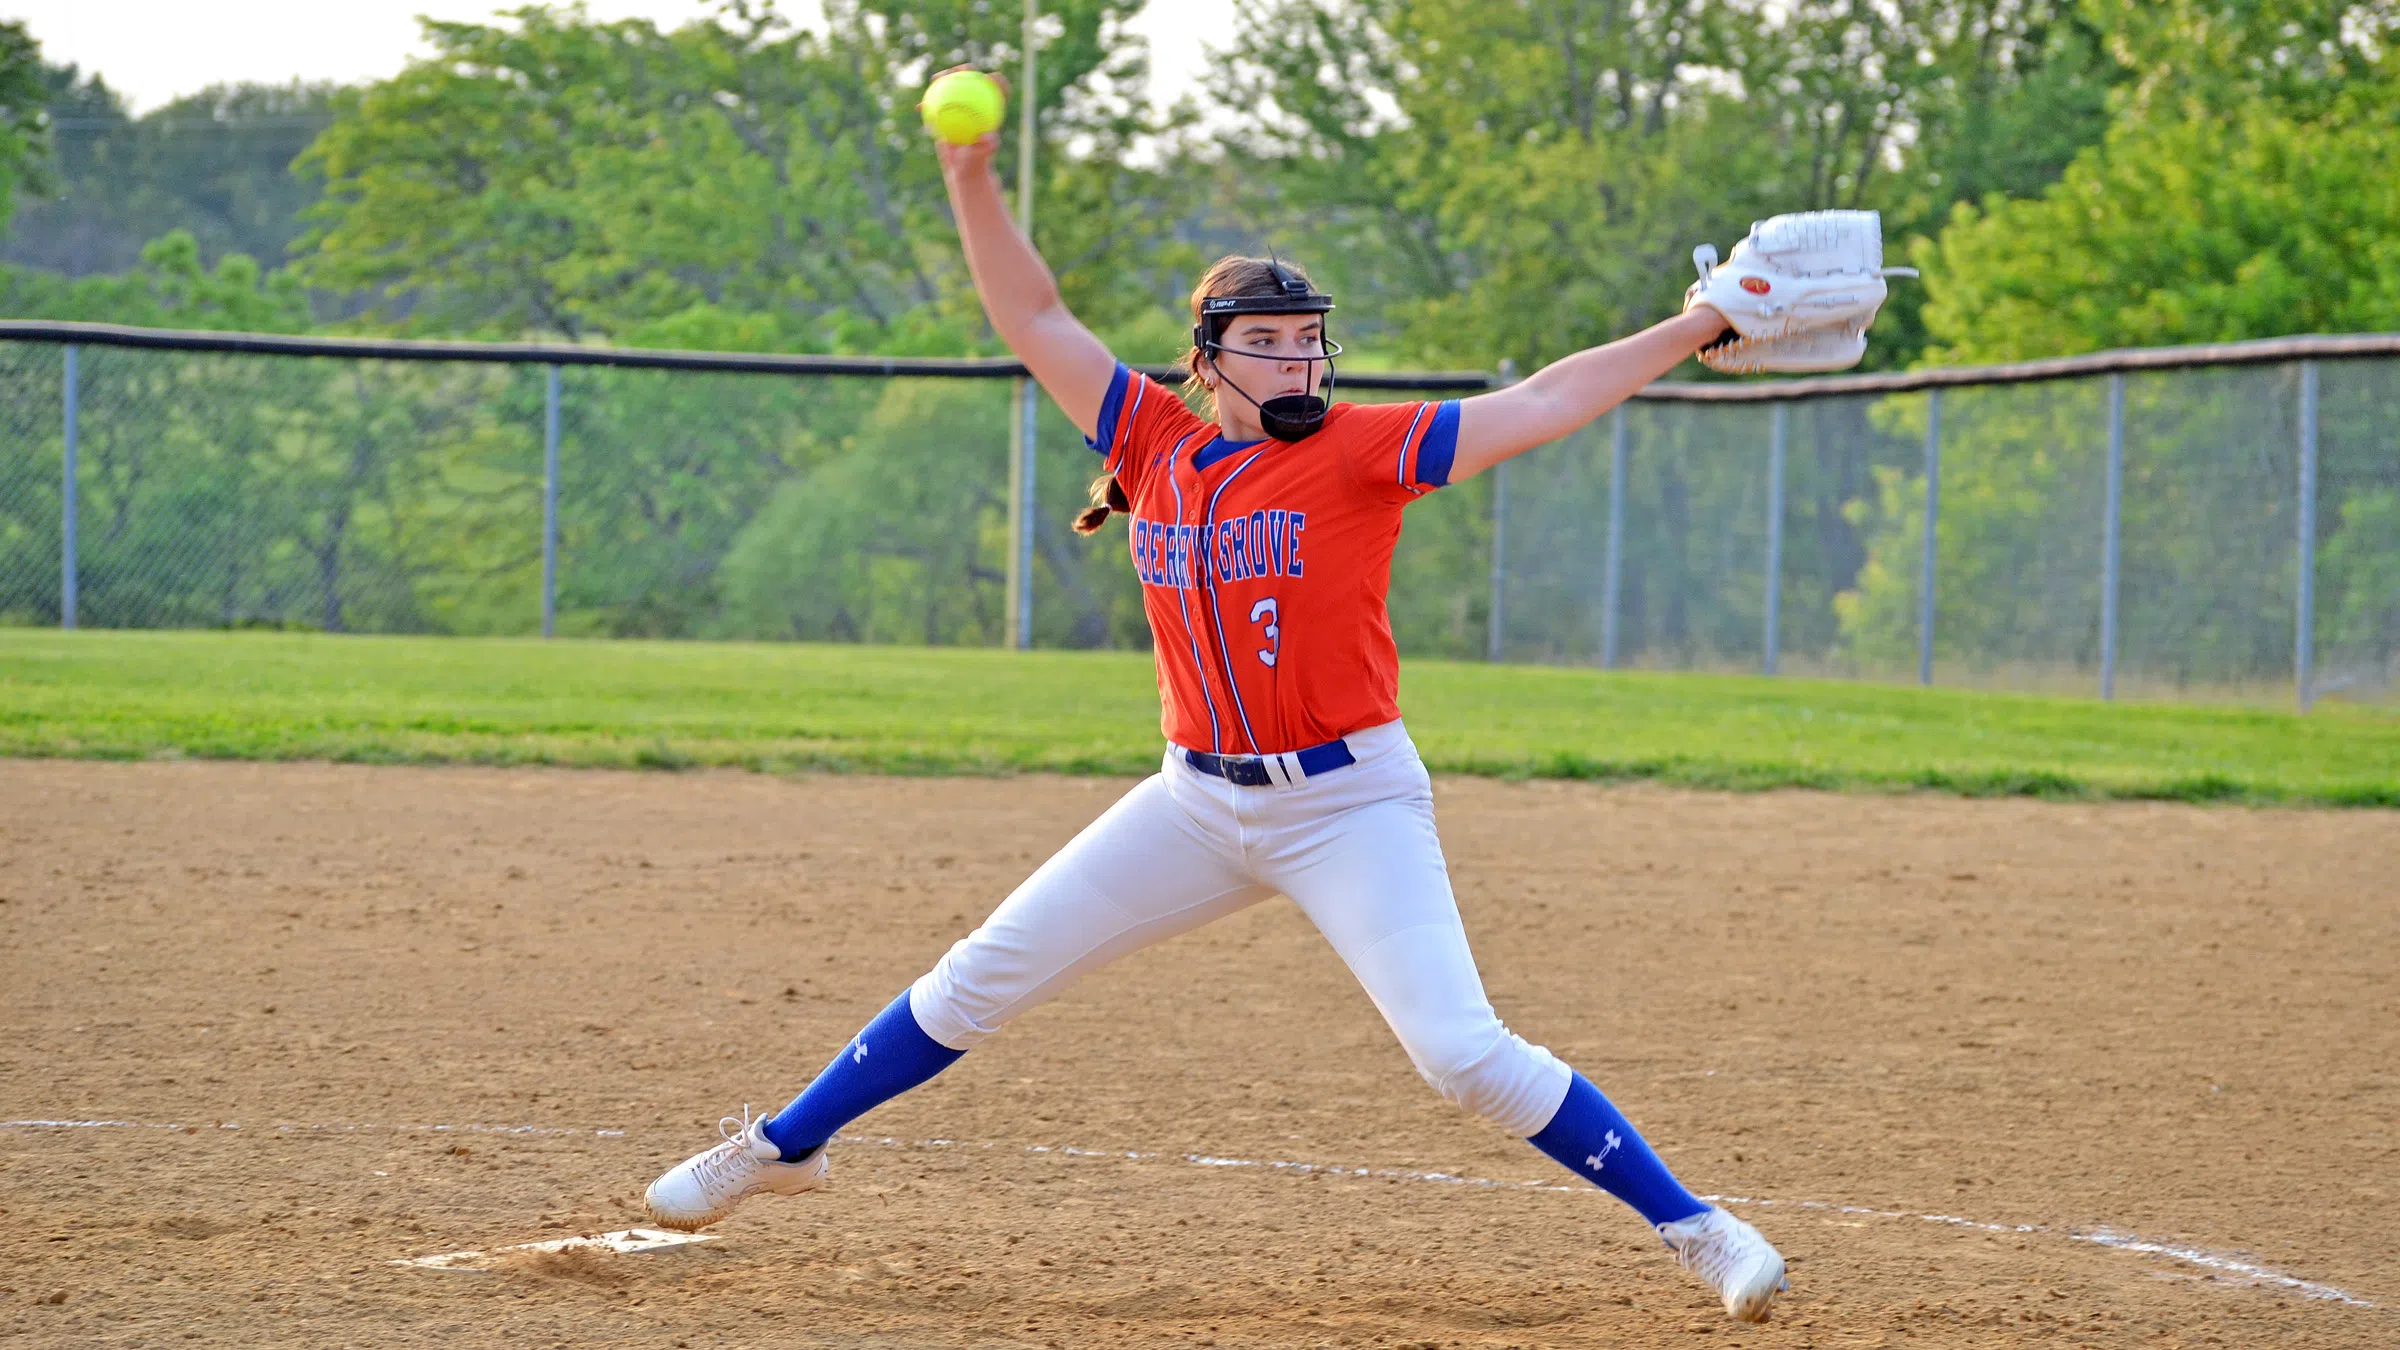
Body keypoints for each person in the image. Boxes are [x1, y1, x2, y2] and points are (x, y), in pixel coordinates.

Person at [643, 101, 1812, 1326]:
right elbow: (1031, 316)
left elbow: (1542, 400)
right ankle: (783, 1148)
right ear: (1206, 357)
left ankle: (1699, 1228)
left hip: (1349, 802)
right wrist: (966, 171)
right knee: (980, 977)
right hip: (1196, 802)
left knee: (1460, 1054)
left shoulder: (1362, 450)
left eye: (1311, 341)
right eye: (1268, 340)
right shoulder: (1150, 441)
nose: (1299, 362)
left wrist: (1697, 323)